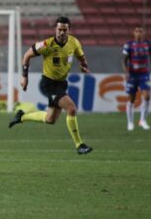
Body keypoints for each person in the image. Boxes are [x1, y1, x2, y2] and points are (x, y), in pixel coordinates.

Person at [8, 16, 93, 155]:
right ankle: (79, 145)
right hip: (48, 84)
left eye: (65, 30)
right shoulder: (47, 45)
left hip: (61, 84)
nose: (61, 32)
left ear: (69, 30)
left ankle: (21, 116)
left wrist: (84, 65)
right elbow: (27, 55)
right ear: (55, 29)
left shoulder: (74, 43)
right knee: (71, 109)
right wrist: (24, 77)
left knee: (50, 119)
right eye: (59, 29)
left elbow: (81, 57)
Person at [122, 26, 151, 130]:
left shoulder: (148, 44)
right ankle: (130, 122)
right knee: (131, 99)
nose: (139, 33)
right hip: (132, 74)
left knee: (147, 96)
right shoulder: (129, 44)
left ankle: (142, 120)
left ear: (143, 33)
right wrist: (126, 72)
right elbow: (124, 60)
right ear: (134, 32)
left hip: (144, 74)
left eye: (141, 31)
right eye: (137, 31)